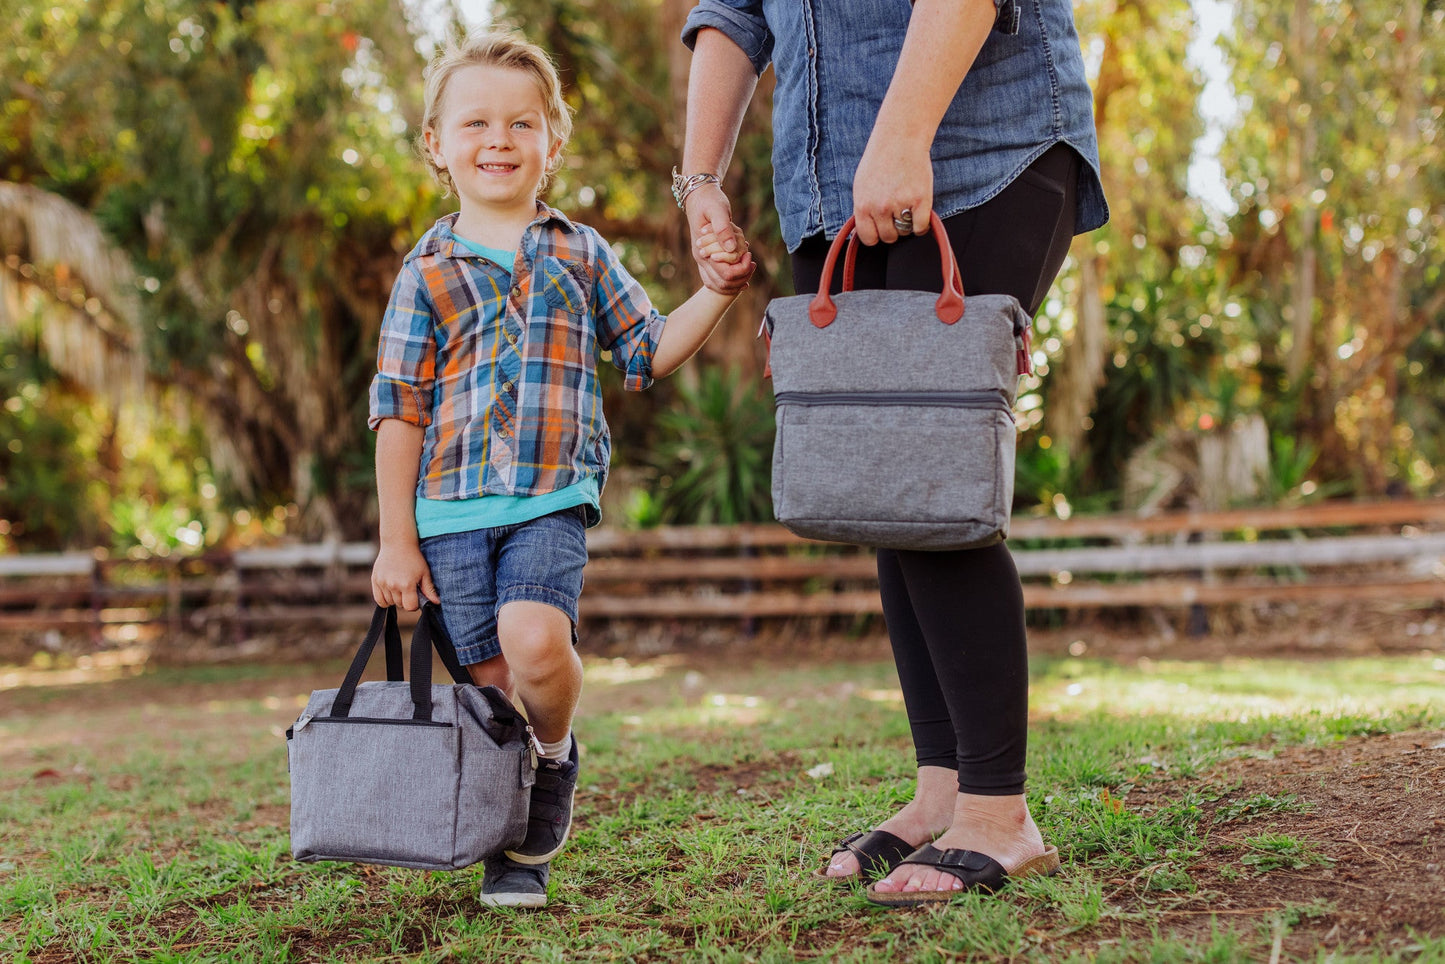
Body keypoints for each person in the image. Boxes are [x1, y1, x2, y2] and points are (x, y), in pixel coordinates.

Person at [678, 0, 1108, 906]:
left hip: (980, 149)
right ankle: (942, 790)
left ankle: (999, 813)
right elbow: (732, 12)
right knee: (886, 482)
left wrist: (904, 133)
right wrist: (699, 180)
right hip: (825, 183)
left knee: (927, 471)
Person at [368, 30, 753, 909]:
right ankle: (515, 849)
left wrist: (719, 292)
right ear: (436, 144)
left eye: (521, 123)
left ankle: (554, 755)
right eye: (475, 123)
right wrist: (396, 541)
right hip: (448, 512)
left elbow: (648, 350)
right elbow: (399, 408)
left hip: (552, 498)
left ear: (551, 142)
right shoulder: (423, 271)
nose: (498, 139)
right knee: (494, 690)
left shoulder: (580, 253)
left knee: (536, 643)